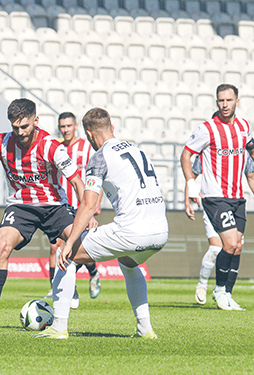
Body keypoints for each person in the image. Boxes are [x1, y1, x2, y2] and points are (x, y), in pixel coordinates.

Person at [0, 98, 96, 327]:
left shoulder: (51, 146)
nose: (20, 132)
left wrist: (87, 213)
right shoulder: (2, 142)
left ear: (36, 121)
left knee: (84, 247)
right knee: (2, 246)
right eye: (15, 127)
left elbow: (77, 183)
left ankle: (72, 283)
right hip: (20, 206)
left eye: (25, 127)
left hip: (54, 206)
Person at [34, 107, 168, 339]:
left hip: (132, 231)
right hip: (161, 231)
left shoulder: (99, 157)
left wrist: (70, 242)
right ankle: (145, 329)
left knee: (67, 257)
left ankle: (58, 328)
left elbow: (87, 206)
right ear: (112, 128)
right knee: (127, 263)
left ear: (89, 135)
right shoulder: (138, 149)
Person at [180, 84, 254, 311]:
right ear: (217, 102)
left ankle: (227, 293)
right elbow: (186, 155)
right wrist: (190, 189)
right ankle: (217, 290)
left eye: (228, 100)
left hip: (237, 198)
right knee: (230, 243)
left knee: (238, 247)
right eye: (220, 101)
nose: (224, 105)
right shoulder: (207, 129)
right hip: (216, 198)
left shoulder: (244, 127)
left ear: (237, 101)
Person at [186, 152, 254, 306]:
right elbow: (192, 175)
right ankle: (203, 284)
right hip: (213, 203)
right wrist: (188, 199)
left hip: (236, 203)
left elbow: (251, 176)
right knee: (215, 248)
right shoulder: (210, 150)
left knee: (236, 247)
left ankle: (227, 294)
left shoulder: (243, 152)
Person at [46, 112, 101, 306]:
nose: (66, 130)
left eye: (69, 126)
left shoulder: (87, 148)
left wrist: (95, 206)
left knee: (79, 247)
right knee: (55, 248)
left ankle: (93, 272)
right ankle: (60, 289)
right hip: (61, 205)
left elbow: (98, 176)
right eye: (62, 127)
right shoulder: (57, 148)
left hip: (82, 205)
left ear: (76, 126)